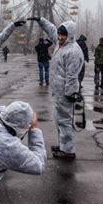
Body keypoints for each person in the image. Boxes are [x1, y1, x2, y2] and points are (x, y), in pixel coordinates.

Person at [28, 17, 84, 159]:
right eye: (59, 34)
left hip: (66, 92)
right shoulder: (62, 44)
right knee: (59, 119)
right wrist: (41, 20)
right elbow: (51, 29)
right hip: (58, 91)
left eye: (63, 35)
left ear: (70, 35)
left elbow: (72, 76)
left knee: (65, 121)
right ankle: (63, 145)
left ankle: (68, 150)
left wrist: (71, 92)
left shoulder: (72, 51)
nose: (59, 37)